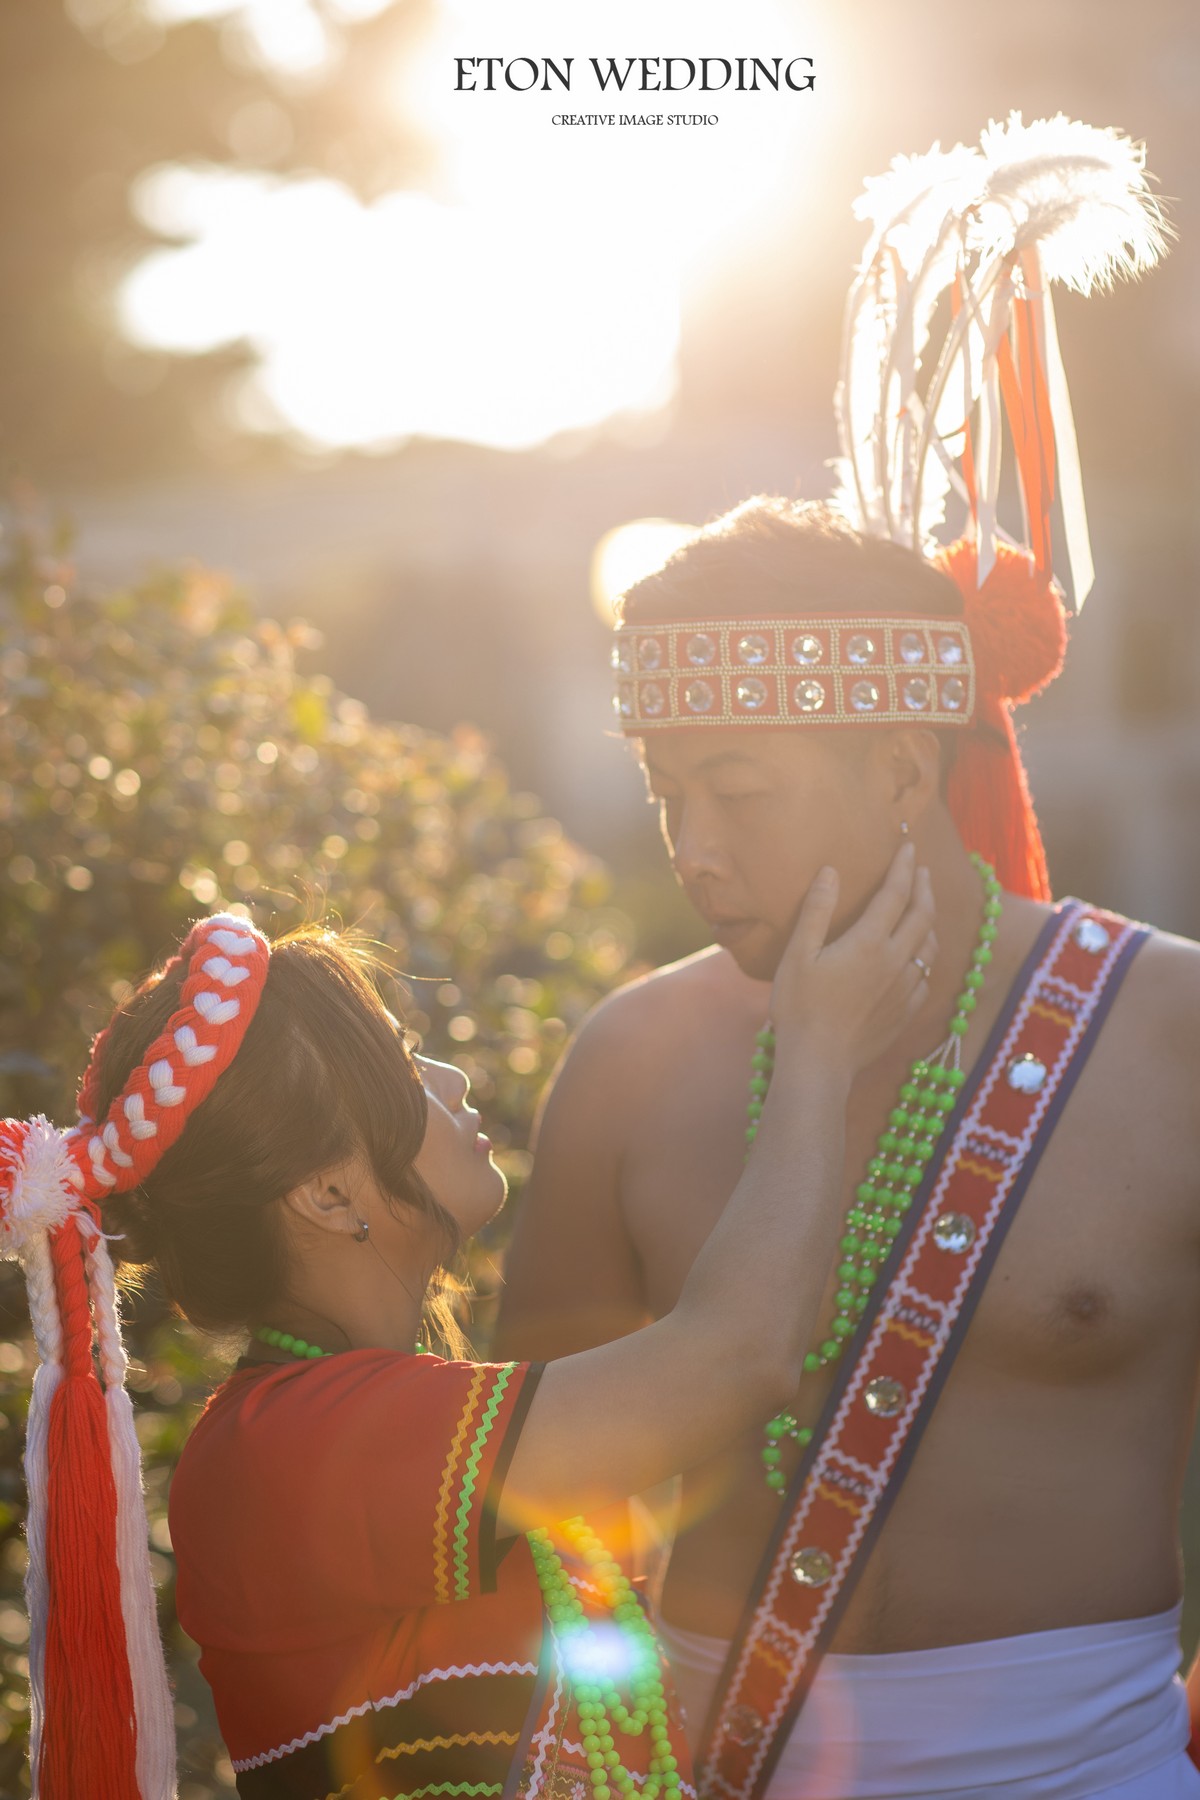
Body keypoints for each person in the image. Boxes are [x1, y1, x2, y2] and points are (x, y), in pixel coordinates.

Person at [494, 120, 1200, 1799]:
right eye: (669, 796)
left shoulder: (1173, 1033)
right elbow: (518, 1509)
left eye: (736, 788)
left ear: (900, 765)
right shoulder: (632, 1063)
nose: (695, 848)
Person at [1, 865, 932, 1800]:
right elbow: (738, 1357)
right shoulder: (288, 1447)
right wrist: (819, 1052)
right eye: (408, 1068)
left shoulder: (350, 1412)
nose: (452, 1077)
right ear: (328, 1194)